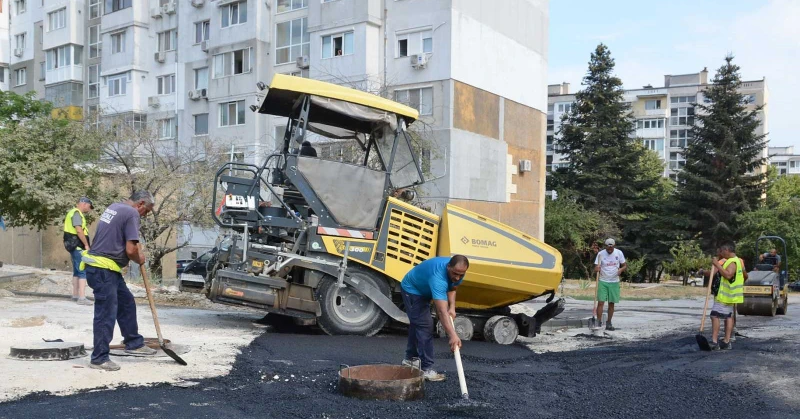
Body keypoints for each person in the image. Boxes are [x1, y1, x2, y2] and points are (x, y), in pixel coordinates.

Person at [82, 191, 157, 371]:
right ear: (140, 204)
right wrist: (139, 259)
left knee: (126, 303)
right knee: (106, 313)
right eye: (146, 211)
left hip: (106, 268)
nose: (144, 216)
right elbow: (131, 249)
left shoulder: (115, 207)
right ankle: (99, 358)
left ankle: (134, 343)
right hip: (103, 269)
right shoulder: (131, 213)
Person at [400, 255, 468, 382]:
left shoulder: (457, 271)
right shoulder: (438, 278)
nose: (457, 277)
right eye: (455, 273)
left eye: (461, 274)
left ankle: (410, 360)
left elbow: (452, 287)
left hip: (425, 288)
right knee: (425, 325)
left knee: (418, 324)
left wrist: (452, 307)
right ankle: (426, 369)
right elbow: (442, 312)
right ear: (448, 267)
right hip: (412, 289)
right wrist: (453, 335)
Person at [709, 243, 744, 350]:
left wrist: (717, 265)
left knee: (714, 315)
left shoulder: (732, 261)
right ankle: (726, 341)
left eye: (722, 251)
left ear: (727, 250)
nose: (721, 253)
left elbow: (728, 275)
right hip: (731, 295)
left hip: (726, 295)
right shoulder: (737, 260)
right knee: (728, 316)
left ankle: (714, 342)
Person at [63, 197, 94, 305]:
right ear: (84, 204)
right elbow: (79, 230)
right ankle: (81, 298)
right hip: (78, 246)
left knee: (77, 271)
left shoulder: (72, 212)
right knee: (82, 271)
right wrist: (86, 244)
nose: (89, 210)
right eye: (89, 207)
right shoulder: (76, 213)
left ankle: (75, 295)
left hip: (73, 246)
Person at [593, 238, 626, 331]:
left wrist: (620, 270)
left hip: (614, 282)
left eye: (611, 247)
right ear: (605, 246)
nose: (610, 249)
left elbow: (624, 265)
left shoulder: (619, 253)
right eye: (608, 247)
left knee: (611, 303)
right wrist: (597, 269)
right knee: (600, 302)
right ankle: (598, 322)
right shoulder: (600, 254)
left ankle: (609, 323)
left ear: (614, 246)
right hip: (603, 281)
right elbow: (596, 267)